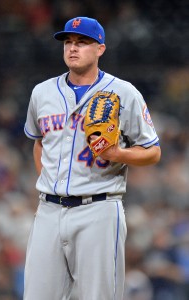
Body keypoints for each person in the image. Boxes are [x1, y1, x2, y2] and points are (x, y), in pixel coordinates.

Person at [23, 16, 161, 300]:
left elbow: (153, 151)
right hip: (48, 210)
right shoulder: (42, 92)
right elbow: (39, 144)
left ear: (100, 49)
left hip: (98, 209)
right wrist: (49, 182)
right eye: (68, 42)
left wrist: (118, 154)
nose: (73, 48)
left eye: (82, 42)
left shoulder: (123, 93)